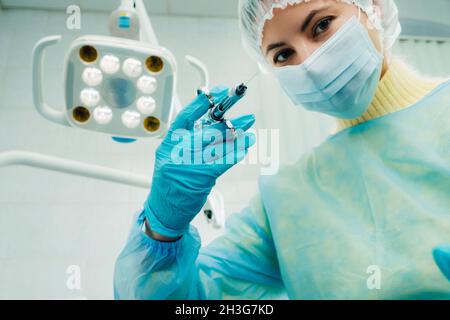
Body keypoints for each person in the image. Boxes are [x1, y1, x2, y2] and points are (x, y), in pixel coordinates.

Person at [113, 0, 450, 299]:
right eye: (283, 54)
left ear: (373, 7)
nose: (310, 64)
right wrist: (162, 229)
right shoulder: (285, 201)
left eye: (321, 25)